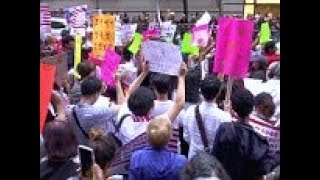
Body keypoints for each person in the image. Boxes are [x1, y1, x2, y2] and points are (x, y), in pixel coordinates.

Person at [212, 89, 280, 180]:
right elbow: (263, 168)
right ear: (252, 108)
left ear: (232, 106)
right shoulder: (258, 141)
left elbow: (215, 156)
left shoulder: (224, 129)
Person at [117, 62, 187, 145]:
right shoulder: (154, 126)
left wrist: (144, 73)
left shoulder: (124, 119)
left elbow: (128, 93)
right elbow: (179, 104)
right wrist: (181, 77)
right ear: (152, 107)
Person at [183, 75, 231, 159]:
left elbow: (186, 137)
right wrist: (227, 113)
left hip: (193, 157)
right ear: (218, 93)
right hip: (213, 161)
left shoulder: (190, 111)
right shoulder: (224, 117)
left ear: (200, 91)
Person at [67, 76, 119, 145]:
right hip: (92, 148)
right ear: (96, 94)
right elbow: (120, 108)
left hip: (79, 147)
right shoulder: (95, 113)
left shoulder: (70, 110)